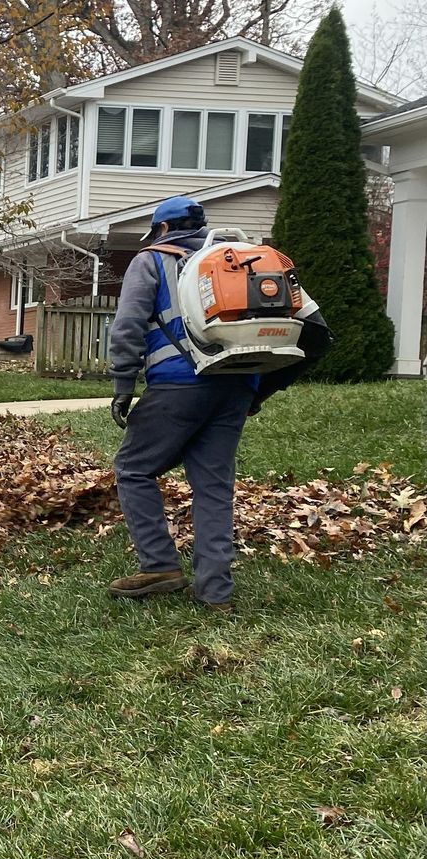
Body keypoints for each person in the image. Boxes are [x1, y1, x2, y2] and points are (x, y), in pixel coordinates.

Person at [106, 195, 330, 612]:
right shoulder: (246, 260)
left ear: (162, 230)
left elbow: (129, 323)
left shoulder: (151, 260)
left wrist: (122, 383)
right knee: (213, 487)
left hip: (177, 385)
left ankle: (159, 566)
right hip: (237, 383)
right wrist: (258, 391)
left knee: (133, 468)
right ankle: (215, 592)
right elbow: (316, 333)